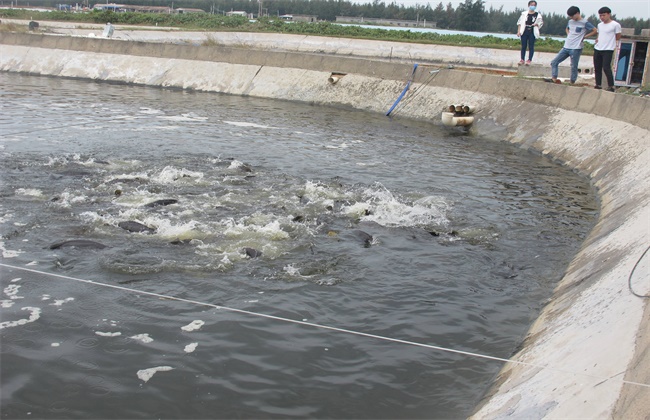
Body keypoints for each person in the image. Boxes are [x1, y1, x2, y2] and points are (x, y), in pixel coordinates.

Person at [550, 6, 597, 84]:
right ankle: (554, 78)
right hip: (566, 46)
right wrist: (568, 34)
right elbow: (567, 28)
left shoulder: (584, 22)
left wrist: (585, 37)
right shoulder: (570, 21)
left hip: (576, 47)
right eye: (570, 16)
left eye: (572, 16)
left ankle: (572, 81)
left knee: (573, 66)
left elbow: (595, 30)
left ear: (578, 13)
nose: (572, 18)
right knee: (554, 62)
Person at [593, 6, 621, 91]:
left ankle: (611, 86)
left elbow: (618, 36)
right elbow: (599, 34)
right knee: (597, 67)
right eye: (600, 15)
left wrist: (611, 43)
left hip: (608, 49)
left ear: (609, 14)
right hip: (598, 48)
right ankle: (598, 84)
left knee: (606, 67)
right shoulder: (599, 25)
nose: (602, 17)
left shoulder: (615, 25)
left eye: (603, 15)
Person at [517, 1, 544, 65]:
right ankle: (522, 59)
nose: (533, 6)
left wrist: (537, 24)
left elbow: (541, 23)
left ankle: (529, 60)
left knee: (531, 46)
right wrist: (519, 31)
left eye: (534, 5)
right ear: (529, 5)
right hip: (524, 30)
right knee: (523, 45)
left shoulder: (538, 15)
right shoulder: (524, 14)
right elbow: (519, 23)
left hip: (532, 31)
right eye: (531, 5)